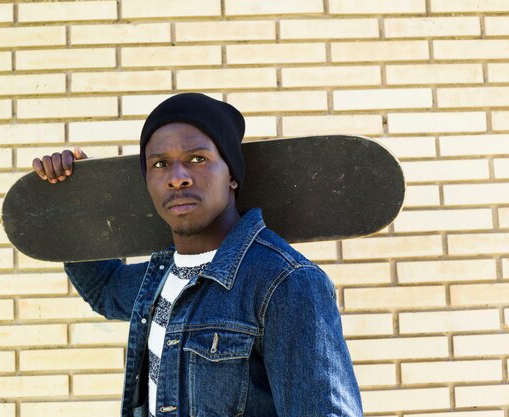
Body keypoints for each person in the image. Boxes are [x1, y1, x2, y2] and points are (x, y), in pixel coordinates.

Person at [33, 93, 362, 417]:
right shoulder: (162, 275)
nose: (177, 177)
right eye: (160, 164)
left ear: (231, 174)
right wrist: (73, 197)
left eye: (197, 159)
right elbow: (105, 291)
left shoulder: (286, 284)